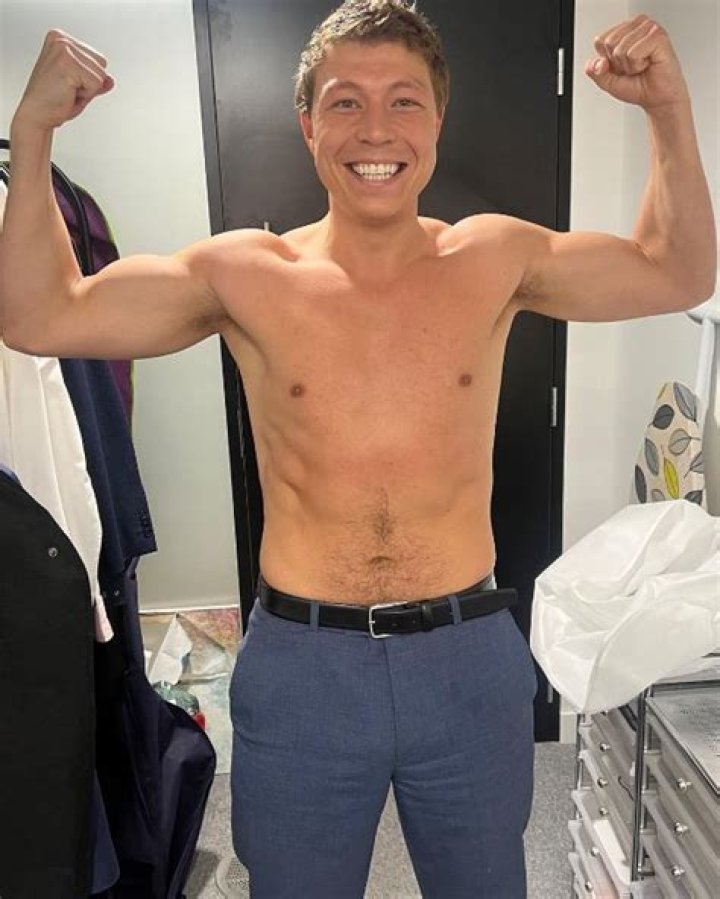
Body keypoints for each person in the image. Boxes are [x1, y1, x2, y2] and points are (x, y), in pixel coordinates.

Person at [1, 1, 715, 896]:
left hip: (466, 658)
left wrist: (668, 109)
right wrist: (33, 131)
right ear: (308, 124)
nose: (376, 129)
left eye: (404, 101)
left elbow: (676, 269)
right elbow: (40, 315)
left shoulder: (495, 256)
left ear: (438, 120)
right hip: (306, 669)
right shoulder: (243, 273)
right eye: (345, 102)